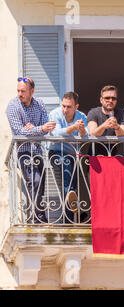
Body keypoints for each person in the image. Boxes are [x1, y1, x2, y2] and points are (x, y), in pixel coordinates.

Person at [6, 77, 56, 223]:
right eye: (18, 91)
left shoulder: (39, 103)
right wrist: (38, 128)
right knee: (34, 180)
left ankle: (37, 215)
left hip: (38, 150)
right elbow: (18, 132)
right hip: (23, 151)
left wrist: (32, 129)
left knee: (40, 184)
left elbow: (46, 128)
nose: (19, 94)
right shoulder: (12, 106)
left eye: (23, 91)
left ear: (32, 91)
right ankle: (36, 218)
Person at [48, 91, 88, 222]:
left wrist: (81, 129)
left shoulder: (82, 116)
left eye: (69, 107)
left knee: (71, 185)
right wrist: (73, 128)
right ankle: (70, 218)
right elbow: (55, 134)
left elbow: (86, 136)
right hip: (56, 151)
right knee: (68, 180)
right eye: (63, 106)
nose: (65, 110)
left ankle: (69, 216)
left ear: (76, 106)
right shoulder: (55, 113)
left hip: (73, 154)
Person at [87, 85, 124, 156]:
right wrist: (104, 126)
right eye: (107, 98)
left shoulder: (122, 113)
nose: (110, 101)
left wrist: (116, 127)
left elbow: (123, 134)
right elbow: (92, 133)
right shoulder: (93, 112)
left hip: (116, 155)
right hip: (96, 155)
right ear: (101, 100)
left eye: (113, 98)